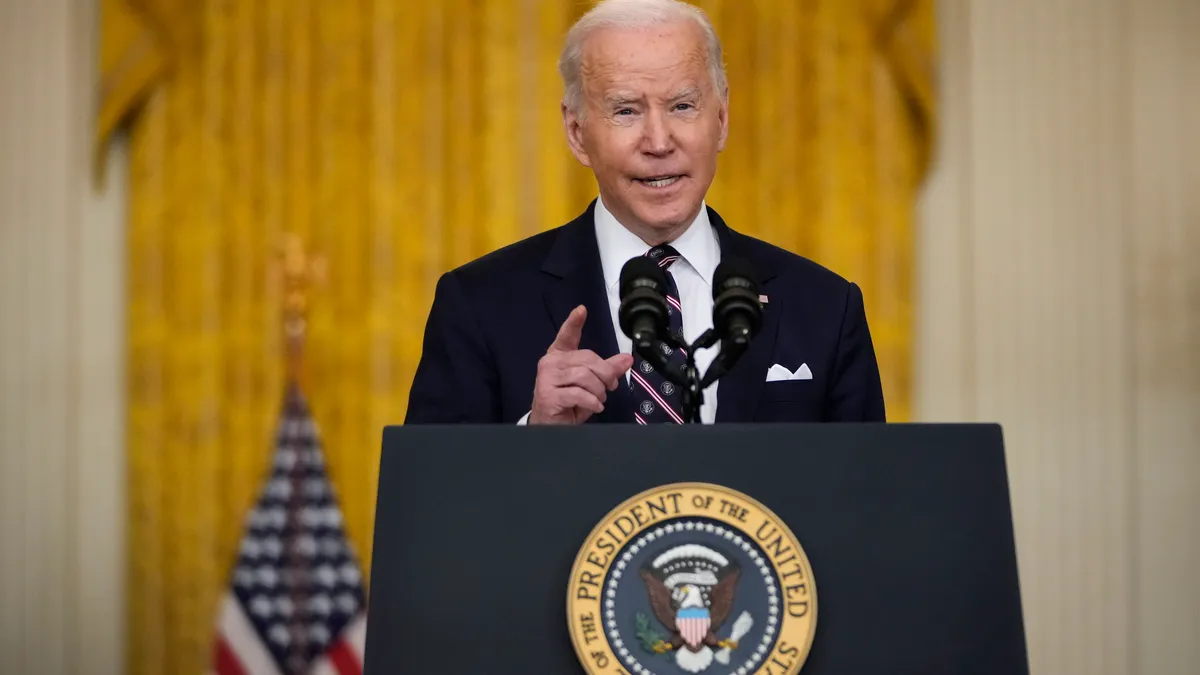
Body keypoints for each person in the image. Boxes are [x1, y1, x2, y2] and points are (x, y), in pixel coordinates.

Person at [405, 0, 884, 425]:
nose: (659, 142)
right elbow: (429, 512)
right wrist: (535, 437)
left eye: (682, 106)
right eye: (627, 111)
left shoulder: (824, 307)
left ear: (720, 121)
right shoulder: (480, 305)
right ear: (576, 133)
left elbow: (870, 505)